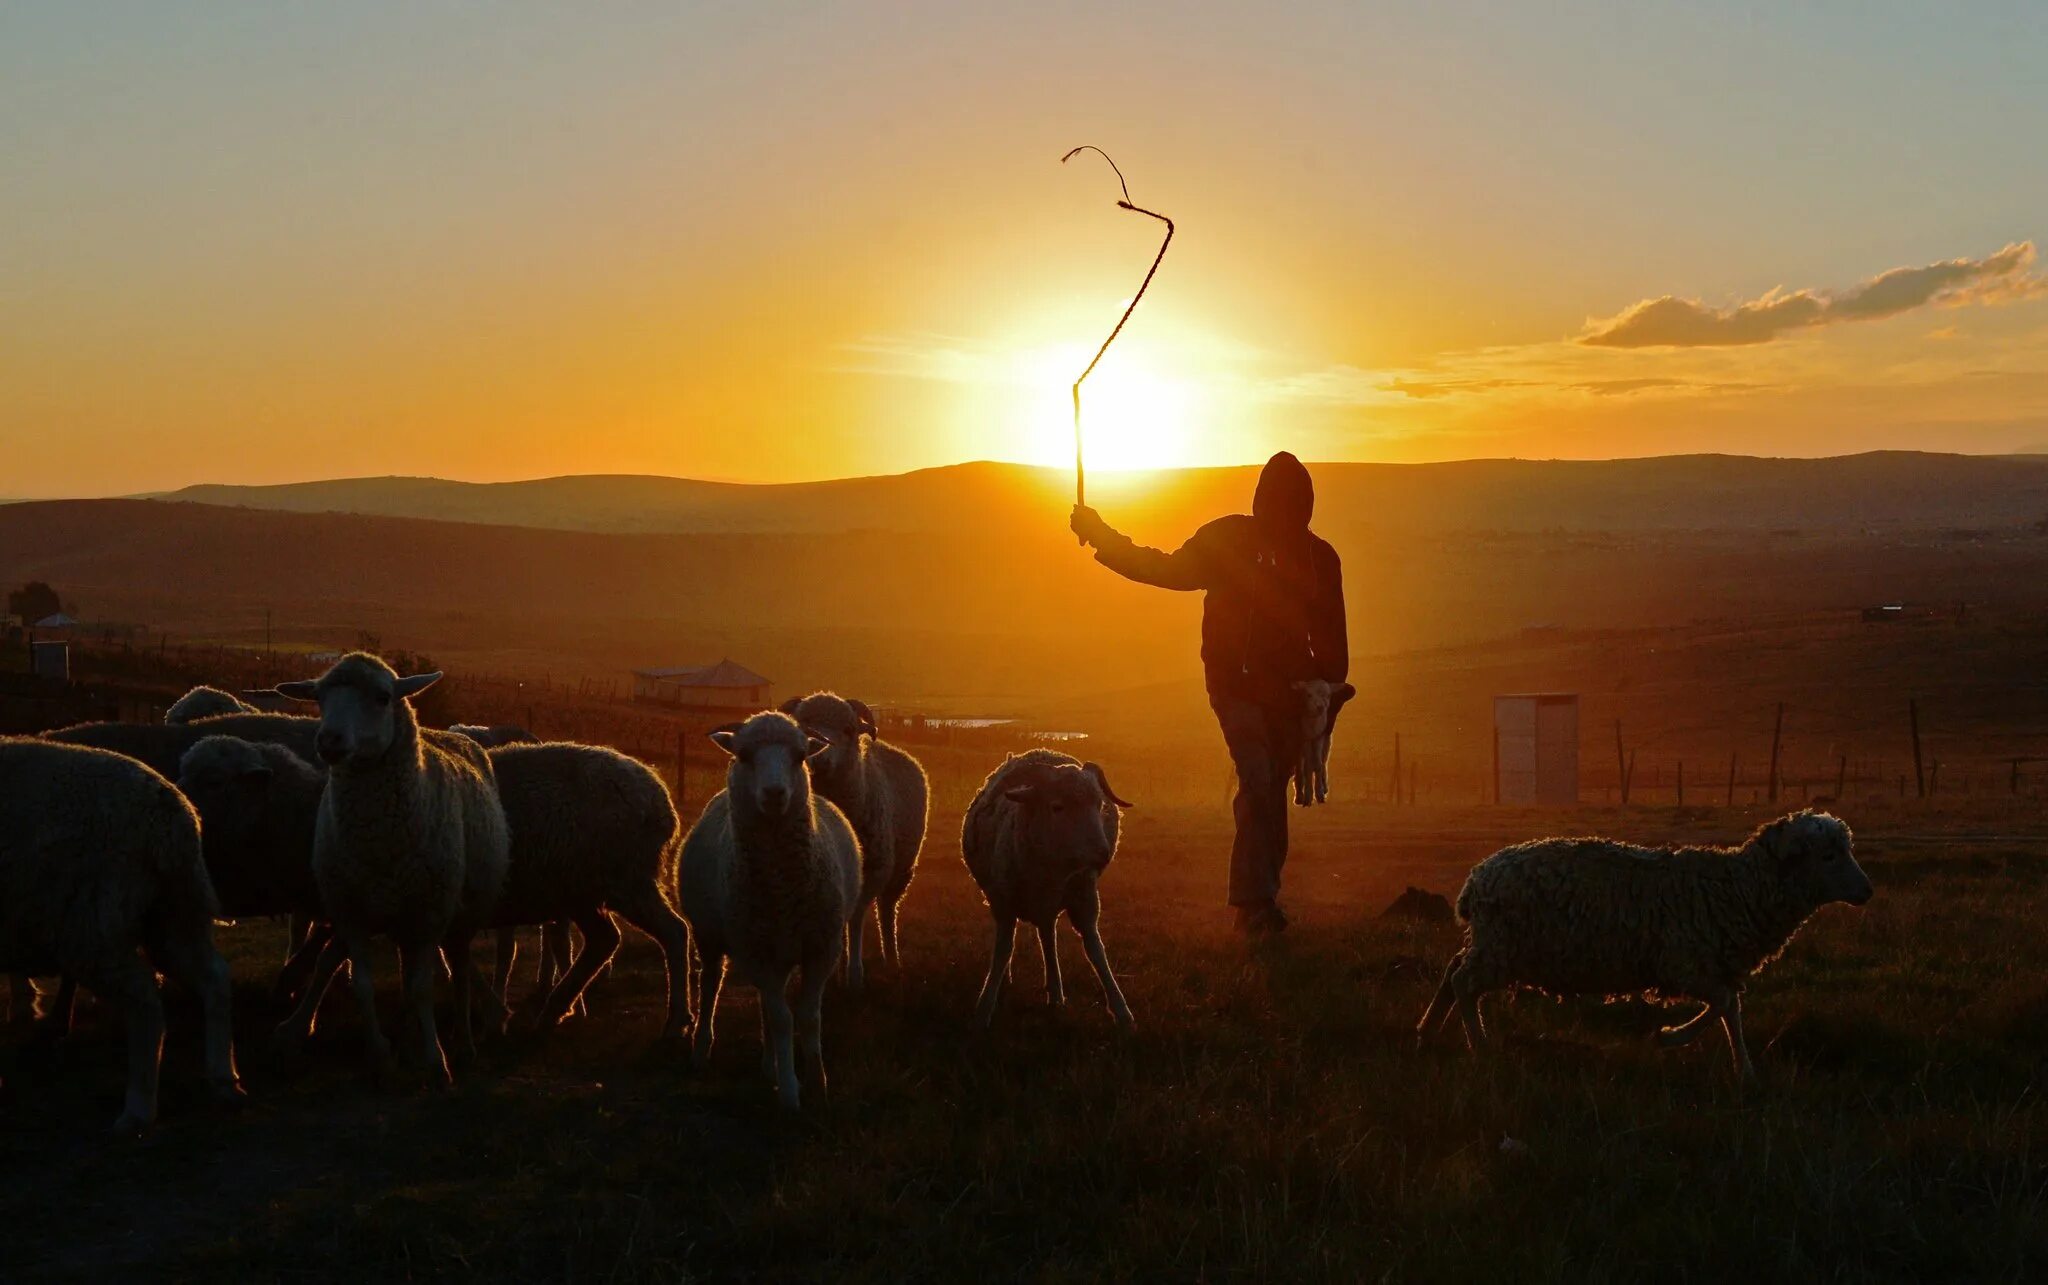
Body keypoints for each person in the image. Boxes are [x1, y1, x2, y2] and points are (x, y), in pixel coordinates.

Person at [1070, 451, 1347, 937]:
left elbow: (1332, 640)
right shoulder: (1230, 541)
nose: (1283, 517)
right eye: (1279, 505)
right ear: (1263, 503)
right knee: (1259, 783)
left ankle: (1261, 901)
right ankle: (1254, 906)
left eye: (1292, 507)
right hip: (1235, 687)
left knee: (1270, 792)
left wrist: (1326, 695)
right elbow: (1166, 570)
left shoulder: (1320, 559)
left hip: (1289, 696)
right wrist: (1101, 536)